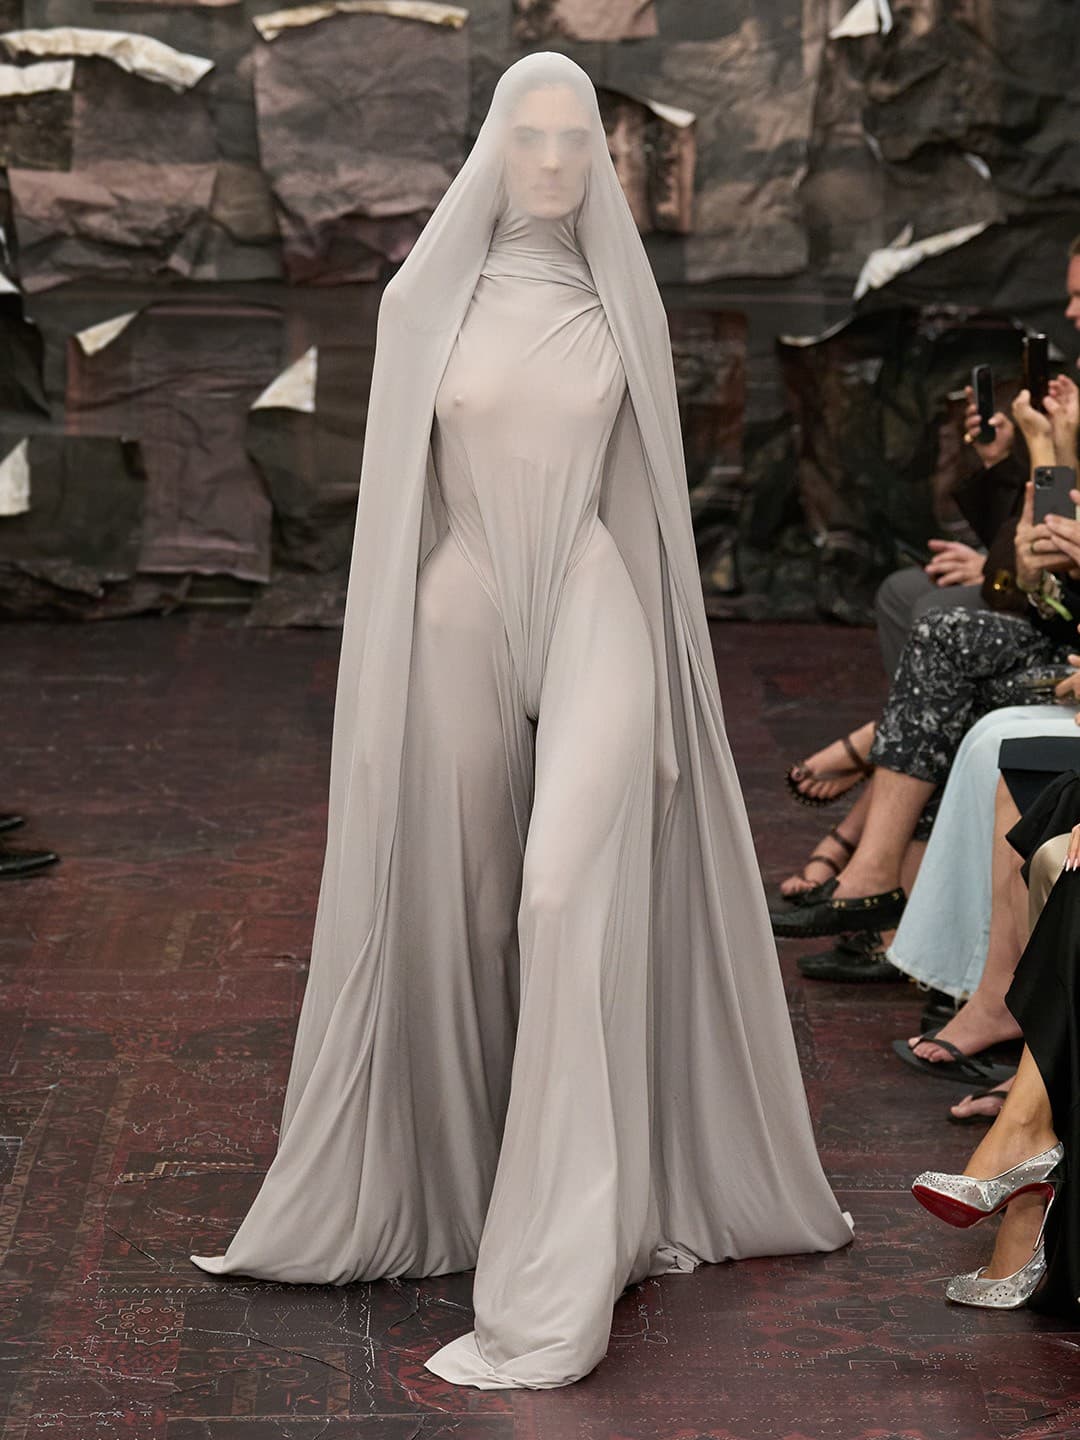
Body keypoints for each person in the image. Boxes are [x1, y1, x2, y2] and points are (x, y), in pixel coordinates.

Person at [188, 53, 852, 1392]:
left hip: (594, 593)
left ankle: (559, 1259)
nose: (553, 162)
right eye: (530, 136)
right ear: (493, 146)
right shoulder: (424, 300)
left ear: (599, 155)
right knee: (466, 908)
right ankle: (464, 1185)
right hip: (466, 599)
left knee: (558, 900)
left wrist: (667, 717)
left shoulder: (622, 298)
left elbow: (646, 509)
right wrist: (381, 698)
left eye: (575, 139)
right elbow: (399, 511)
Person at [772, 380, 1080, 943]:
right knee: (934, 626)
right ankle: (875, 882)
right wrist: (1043, 448)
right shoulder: (1062, 429)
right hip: (1057, 638)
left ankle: (875, 879)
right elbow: (1047, 591)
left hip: (1066, 664)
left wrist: (1046, 447)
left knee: (942, 661)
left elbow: (1030, 593)